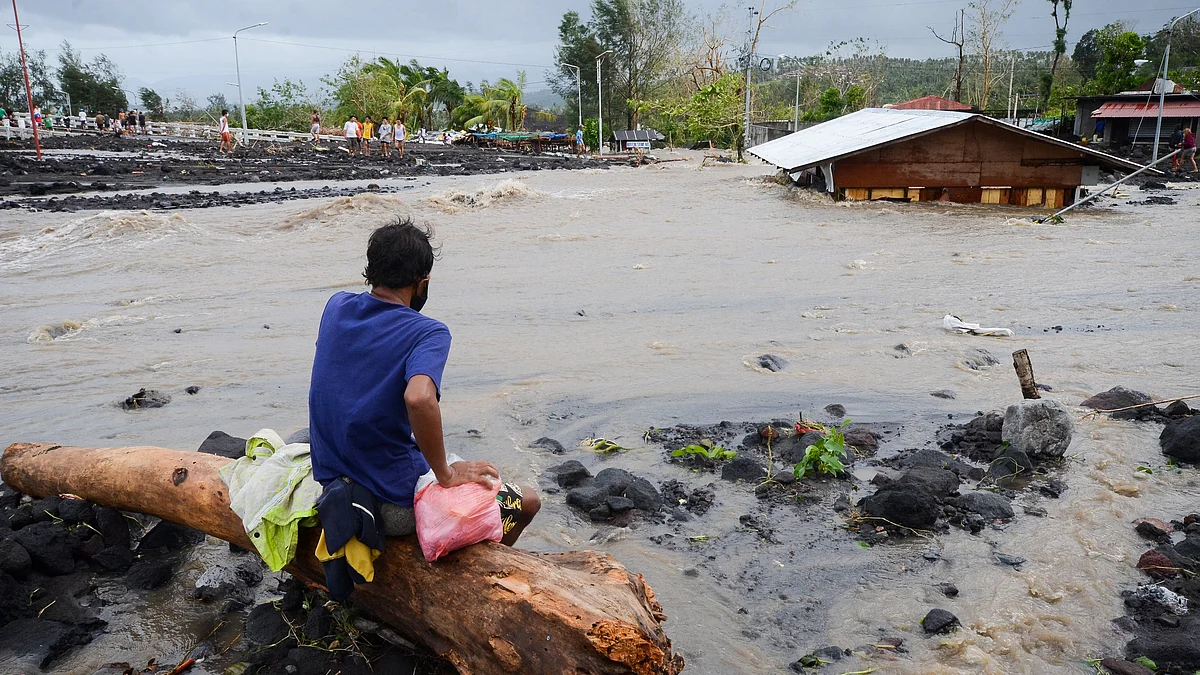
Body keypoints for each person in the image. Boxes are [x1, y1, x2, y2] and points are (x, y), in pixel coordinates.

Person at [308, 219, 540, 544]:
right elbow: (418, 398)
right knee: (527, 501)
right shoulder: (427, 332)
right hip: (389, 501)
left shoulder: (336, 307)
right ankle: (485, 569)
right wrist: (445, 473)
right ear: (421, 281)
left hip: (334, 480)